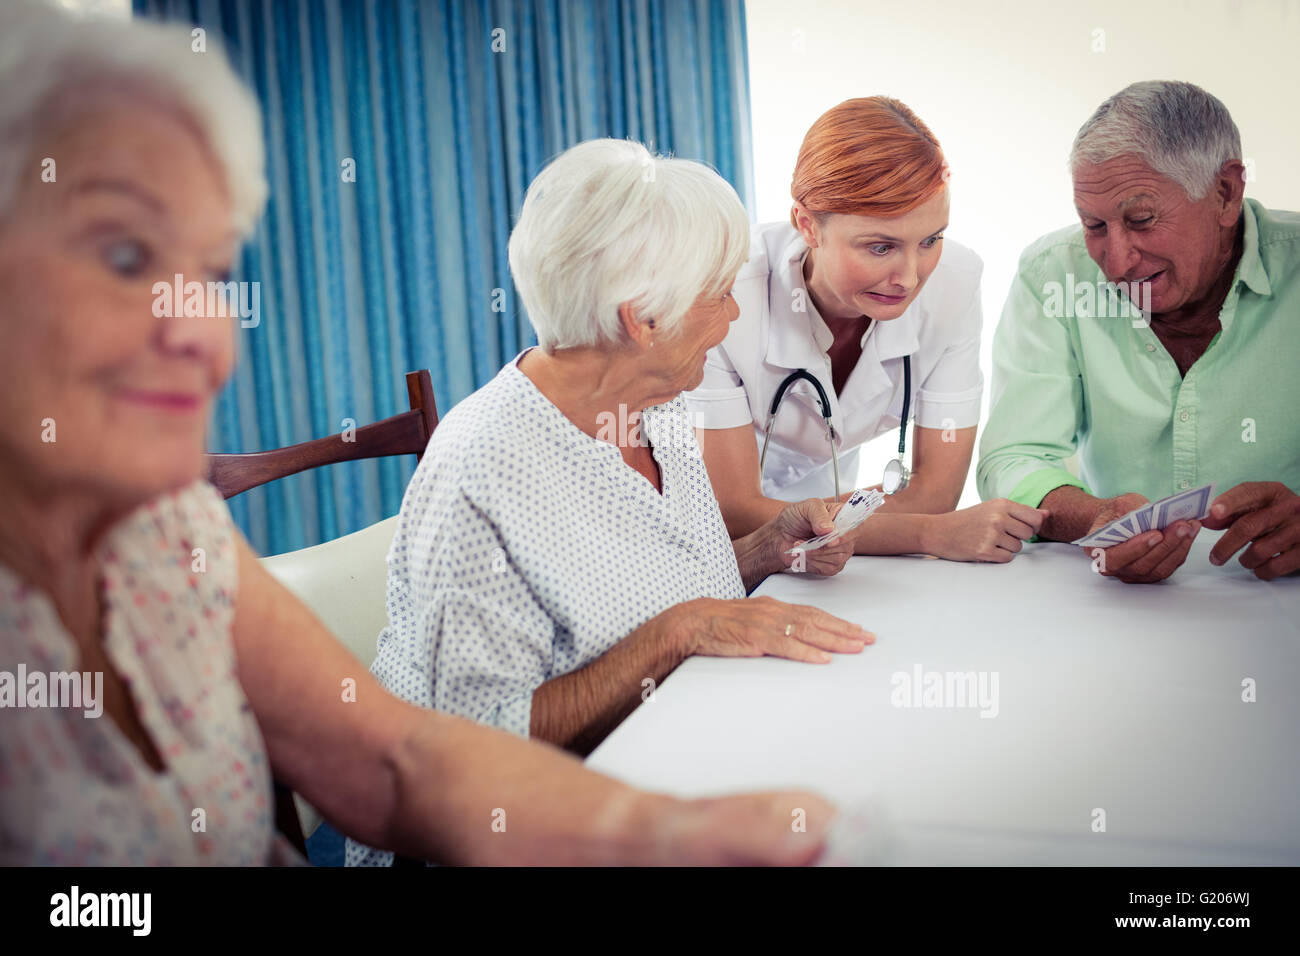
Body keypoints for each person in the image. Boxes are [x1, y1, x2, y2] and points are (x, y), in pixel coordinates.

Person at [0, 1, 838, 866]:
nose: (207, 331)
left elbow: (396, 762)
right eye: (127, 259)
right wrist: (677, 649)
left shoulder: (163, 531)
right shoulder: (486, 459)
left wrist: (674, 833)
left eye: (207, 270)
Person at [346, 138, 875, 866]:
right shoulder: (485, 468)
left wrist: (768, 550)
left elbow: (681, 591)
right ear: (643, 320)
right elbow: (474, 744)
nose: (730, 317)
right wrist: (678, 632)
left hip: (670, 758)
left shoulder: (654, 404)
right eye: (717, 294)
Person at [687, 97, 1048, 564]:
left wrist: (895, 521)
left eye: (930, 240)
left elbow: (935, 492)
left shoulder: (955, 282)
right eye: (881, 247)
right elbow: (734, 510)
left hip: (841, 547)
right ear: (807, 226)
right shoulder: (729, 293)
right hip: (715, 544)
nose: (911, 276)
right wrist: (927, 535)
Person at [978, 80, 1300, 584]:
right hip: (1114, 608)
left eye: (1142, 220)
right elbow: (1015, 455)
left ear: (1225, 193)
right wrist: (1093, 517)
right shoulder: (1052, 275)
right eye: (1094, 226)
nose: (1117, 260)